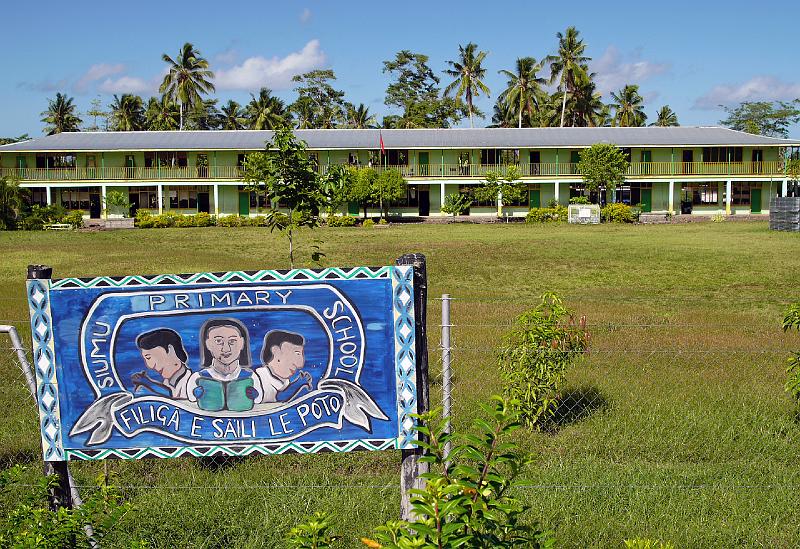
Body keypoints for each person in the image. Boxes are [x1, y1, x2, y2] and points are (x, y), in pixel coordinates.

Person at [186, 318, 264, 412]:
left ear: (241, 343)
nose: (226, 349)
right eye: (219, 341)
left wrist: (255, 395)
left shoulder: (251, 377)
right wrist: (195, 393)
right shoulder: (198, 377)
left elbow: (259, 400)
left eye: (232, 341)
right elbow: (190, 399)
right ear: (208, 344)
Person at [133, 328, 191, 399]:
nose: (150, 366)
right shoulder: (167, 383)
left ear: (170, 350)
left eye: (149, 358)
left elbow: (180, 403)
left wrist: (149, 384)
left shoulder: (194, 382)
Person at [256, 330, 311, 403]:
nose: (300, 365)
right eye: (297, 354)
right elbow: (280, 397)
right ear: (276, 352)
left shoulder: (284, 381)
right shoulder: (259, 378)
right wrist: (298, 384)